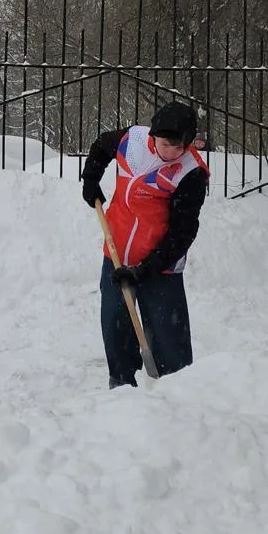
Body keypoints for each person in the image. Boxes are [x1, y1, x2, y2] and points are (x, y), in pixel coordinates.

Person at [80, 103, 210, 387]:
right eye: (167, 145)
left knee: (169, 337)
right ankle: (122, 386)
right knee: (116, 326)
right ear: (153, 136)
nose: (173, 153)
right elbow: (102, 146)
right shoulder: (132, 141)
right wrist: (90, 178)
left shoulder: (191, 172)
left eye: (181, 147)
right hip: (117, 253)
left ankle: (179, 391)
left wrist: (145, 269)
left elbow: (182, 233)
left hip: (161, 265)